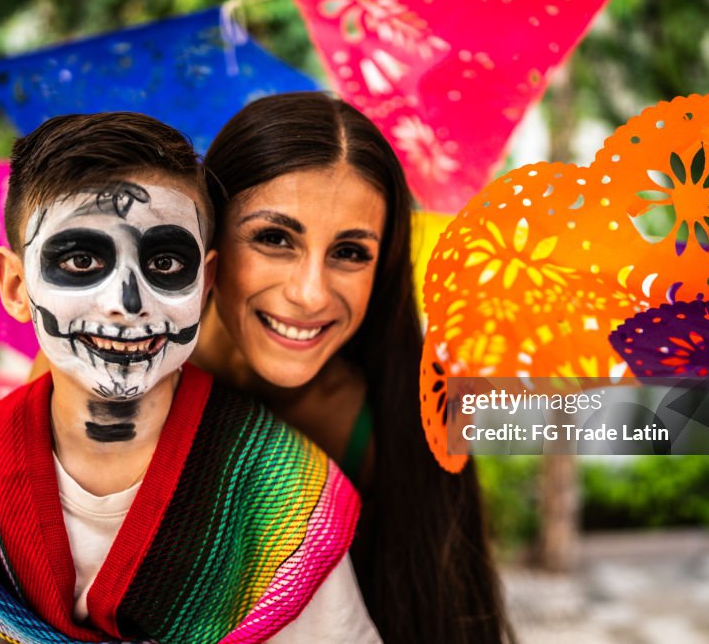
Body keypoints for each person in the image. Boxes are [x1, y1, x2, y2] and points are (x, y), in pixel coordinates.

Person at [0, 112, 379, 643]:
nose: (127, 304)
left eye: (167, 263)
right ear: (15, 286)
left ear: (206, 280)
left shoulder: (280, 486)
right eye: (81, 259)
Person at [193, 92, 515, 644]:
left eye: (349, 252)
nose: (310, 293)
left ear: (382, 266)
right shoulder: (107, 374)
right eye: (274, 238)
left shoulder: (396, 420)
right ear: (208, 237)